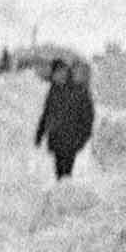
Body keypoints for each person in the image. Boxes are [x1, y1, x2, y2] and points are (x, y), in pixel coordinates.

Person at [33, 49, 96, 179]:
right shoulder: (53, 90)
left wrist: (81, 139)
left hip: (71, 142)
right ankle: (62, 196)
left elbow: (88, 117)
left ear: (66, 72)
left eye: (61, 72)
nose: (58, 76)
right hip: (56, 141)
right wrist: (40, 133)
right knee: (59, 175)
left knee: (66, 175)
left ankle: (66, 196)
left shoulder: (78, 90)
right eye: (55, 73)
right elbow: (47, 113)